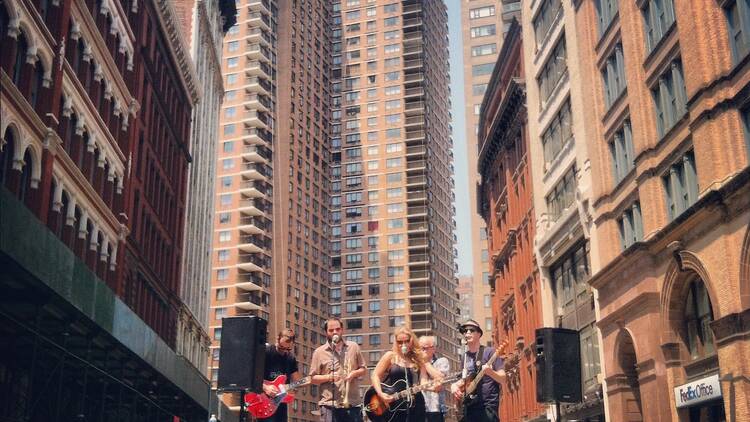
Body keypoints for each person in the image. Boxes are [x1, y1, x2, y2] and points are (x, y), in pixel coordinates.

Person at [370, 327, 444, 422]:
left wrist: (432, 387)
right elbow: (375, 375)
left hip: (416, 403)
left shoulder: (418, 358)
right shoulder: (390, 356)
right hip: (394, 404)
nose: (403, 345)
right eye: (400, 342)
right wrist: (380, 393)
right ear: (396, 342)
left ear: (411, 340)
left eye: (406, 341)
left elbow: (423, 380)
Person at [309, 318, 368, 422]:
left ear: (342, 330)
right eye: (331, 330)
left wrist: (354, 373)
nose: (335, 332)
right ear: (326, 332)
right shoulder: (319, 352)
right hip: (329, 405)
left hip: (352, 403)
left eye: (338, 329)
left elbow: (363, 369)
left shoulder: (353, 347)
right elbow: (312, 378)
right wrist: (329, 377)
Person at [451, 319, 506, 422]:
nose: (467, 333)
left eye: (471, 330)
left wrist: (490, 372)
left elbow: (503, 378)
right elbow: (465, 380)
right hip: (470, 406)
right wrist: (454, 386)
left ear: (479, 334)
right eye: (465, 331)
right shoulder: (465, 357)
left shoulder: (489, 352)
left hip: (487, 405)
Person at [258, 329, 302, 422]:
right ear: (277, 339)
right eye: (282, 347)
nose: (285, 351)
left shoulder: (290, 358)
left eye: (288, 349)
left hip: (281, 404)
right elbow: (252, 376)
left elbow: (297, 382)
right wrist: (265, 388)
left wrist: (294, 388)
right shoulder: (266, 352)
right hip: (263, 401)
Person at [419, 336, 450, 422]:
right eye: (419, 348)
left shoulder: (442, 361)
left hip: (435, 409)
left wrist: (425, 362)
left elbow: (440, 379)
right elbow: (423, 383)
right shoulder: (416, 364)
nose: (421, 351)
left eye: (424, 348)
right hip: (419, 409)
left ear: (433, 348)